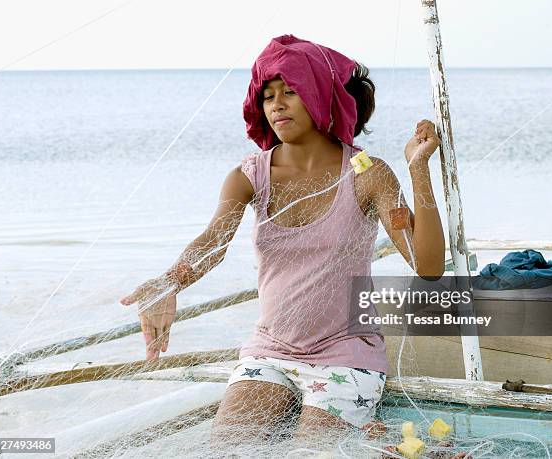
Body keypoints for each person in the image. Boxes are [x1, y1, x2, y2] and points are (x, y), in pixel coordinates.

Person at [120, 34, 446, 450]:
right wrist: (168, 283)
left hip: (345, 355)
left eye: (290, 91)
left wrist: (418, 169)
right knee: (225, 451)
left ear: (319, 95)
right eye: (268, 95)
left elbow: (429, 265)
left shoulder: (368, 174)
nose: (276, 104)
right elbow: (213, 242)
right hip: (268, 353)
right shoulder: (250, 175)